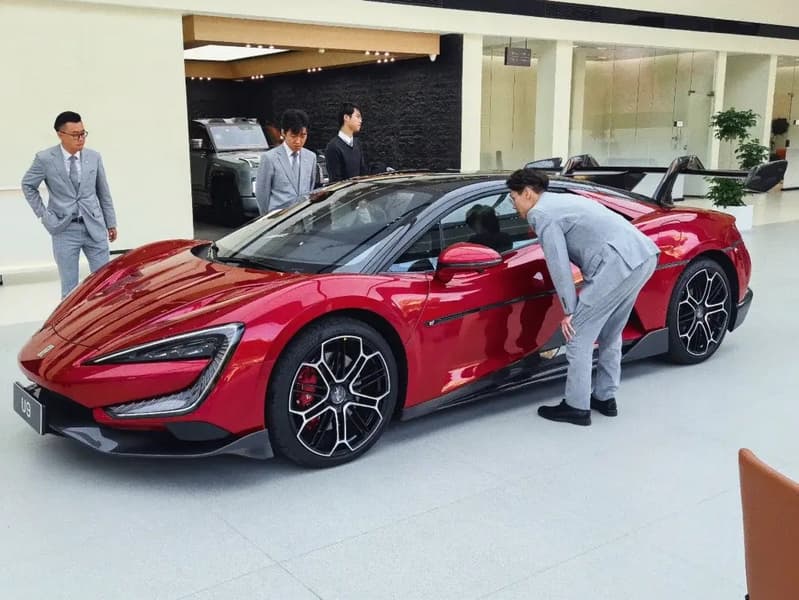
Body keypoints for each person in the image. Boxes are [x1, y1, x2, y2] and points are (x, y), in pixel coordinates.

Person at [505, 168, 659, 426]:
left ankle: (576, 407)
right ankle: (605, 397)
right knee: (611, 333)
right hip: (642, 256)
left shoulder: (540, 213)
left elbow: (558, 263)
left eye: (514, 198)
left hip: (617, 266)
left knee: (576, 335)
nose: (514, 205)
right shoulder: (561, 200)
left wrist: (569, 310)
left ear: (528, 193)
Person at [21, 111, 118, 299]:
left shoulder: (94, 157)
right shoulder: (45, 159)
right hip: (64, 229)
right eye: (75, 134)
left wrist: (111, 222)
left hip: (94, 227)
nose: (81, 138)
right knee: (70, 290)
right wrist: (44, 215)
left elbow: (103, 192)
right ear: (60, 134)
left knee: (104, 284)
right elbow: (28, 185)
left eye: (83, 133)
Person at [255, 109, 319, 215]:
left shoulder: (311, 157)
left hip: (303, 217)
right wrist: (267, 219)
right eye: (293, 136)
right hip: (278, 218)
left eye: (302, 136)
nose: (298, 141)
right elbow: (262, 194)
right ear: (283, 133)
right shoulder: (269, 158)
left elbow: (310, 187)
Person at [324, 103, 367, 182]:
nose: (360, 121)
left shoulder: (357, 143)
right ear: (346, 117)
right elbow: (335, 181)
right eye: (357, 116)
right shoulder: (333, 147)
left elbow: (362, 173)